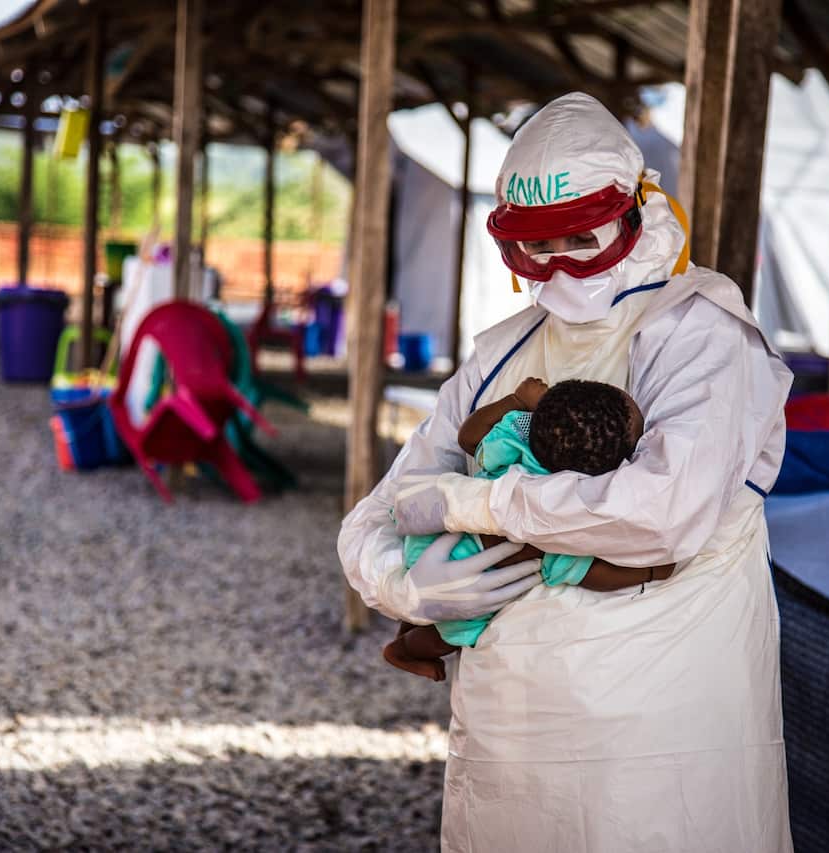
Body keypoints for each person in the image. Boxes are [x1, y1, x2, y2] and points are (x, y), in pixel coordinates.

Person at [339, 91, 794, 851]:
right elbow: (376, 516)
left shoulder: (701, 335)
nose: (556, 269)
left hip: (661, 746)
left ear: (635, 213)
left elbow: (661, 512)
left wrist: (477, 502)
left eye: (580, 239)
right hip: (506, 748)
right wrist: (408, 585)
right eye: (533, 250)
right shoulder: (500, 355)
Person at [384, 376, 674, 682]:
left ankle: (409, 623)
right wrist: (648, 573)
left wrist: (516, 401)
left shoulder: (516, 442)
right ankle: (407, 650)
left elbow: (468, 437)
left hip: (429, 539)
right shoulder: (565, 518)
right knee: (453, 632)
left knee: (422, 606)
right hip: (461, 580)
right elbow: (589, 574)